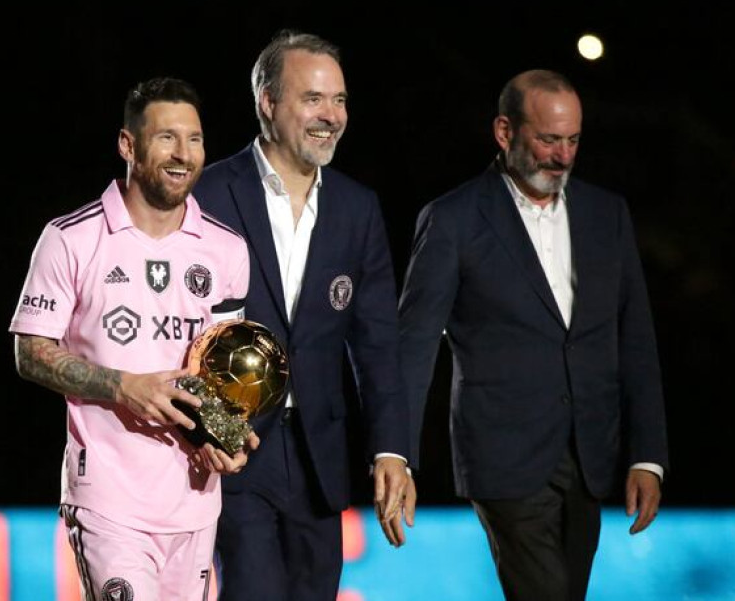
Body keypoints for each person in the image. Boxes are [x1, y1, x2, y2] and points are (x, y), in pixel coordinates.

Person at [397, 69, 669, 601]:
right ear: (505, 132)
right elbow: (414, 347)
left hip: (590, 453)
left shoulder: (606, 213)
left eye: (572, 141)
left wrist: (647, 455)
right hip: (502, 457)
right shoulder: (453, 219)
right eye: (548, 140)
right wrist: (396, 454)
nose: (563, 157)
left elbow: (635, 337)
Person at [9, 77, 254, 601]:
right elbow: (28, 352)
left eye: (194, 139)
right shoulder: (71, 238)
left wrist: (227, 436)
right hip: (108, 499)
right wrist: (124, 386)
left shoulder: (226, 249)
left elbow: (221, 374)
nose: (183, 154)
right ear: (128, 145)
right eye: (167, 137)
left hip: (194, 500)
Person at [193, 30, 412, 601]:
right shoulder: (209, 193)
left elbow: (377, 344)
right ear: (267, 102)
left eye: (339, 101)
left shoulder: (356, 207)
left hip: (321, 457)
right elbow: (177, 327)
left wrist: (391, 449)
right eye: (313, 98)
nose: (332, 116)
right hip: (237, 449)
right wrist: (208, 428)